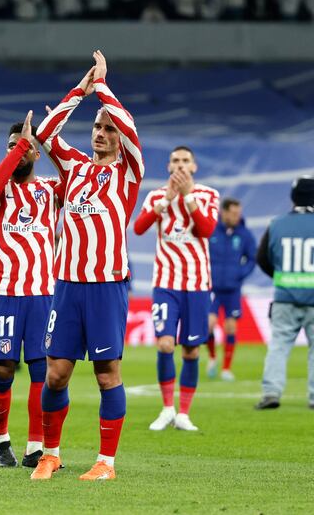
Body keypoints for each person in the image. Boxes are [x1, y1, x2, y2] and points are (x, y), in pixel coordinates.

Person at [30, 51, 143, 481]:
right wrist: (82, 87)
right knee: (55, 374)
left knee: (106, 373)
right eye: (97, 127)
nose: (101, 133)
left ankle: (106, 463)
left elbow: (130, 127)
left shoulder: (130, 173)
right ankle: (51, 454)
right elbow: (45, 131)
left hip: (106, 285)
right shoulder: (74, 166)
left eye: (108, 129)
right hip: (67, 286)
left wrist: (104, 88)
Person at [0, 110, 62, 468]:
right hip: (7, 295)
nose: (18, 150)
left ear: (37, 154)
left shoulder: (49, 191)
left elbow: (75, 177)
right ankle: (1, 441)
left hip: (43, 294)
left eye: (25, 147)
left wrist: (44, 135)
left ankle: (35, 446)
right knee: (4, 369)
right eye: (11, 146)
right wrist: (21, 144)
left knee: (42, 371)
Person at [133, 146, 219, 432]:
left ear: (194, 167)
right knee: (165, 344)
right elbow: (140, 227)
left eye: (185, 161)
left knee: (192, 350)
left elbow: (206, 230)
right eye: (175, 161)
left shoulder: (208, 195)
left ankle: (184, 413)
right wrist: (166, 201)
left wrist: (187, 197)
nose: (180, 165)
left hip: (196, 284)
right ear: (169, 166)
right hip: (166, 283)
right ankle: (168, 408)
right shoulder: (156, 195)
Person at [254, 176, 314, 411]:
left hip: (285, 296)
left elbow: (262, 258)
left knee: (279, 346)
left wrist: (280, 276)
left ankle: (271, 393)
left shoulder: (276, 224)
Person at [206, 197, 256, 381]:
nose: (237, 217)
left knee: (231, 327)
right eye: (233, 213)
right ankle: (212, 357)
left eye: (238, 214)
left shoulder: (245, 234)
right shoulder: (211, 230)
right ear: (224, 212)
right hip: (212, 287)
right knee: (208, 324)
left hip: (233, 288)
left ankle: (226, 368)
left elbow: (252, 258)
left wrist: (240, 273)